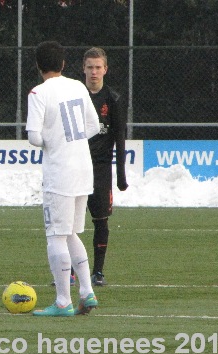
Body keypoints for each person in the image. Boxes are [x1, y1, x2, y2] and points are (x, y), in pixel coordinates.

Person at [26, 41, 100, 316]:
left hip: (60, 173)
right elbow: (93, 126)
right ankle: (87, 292)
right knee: (71, 233)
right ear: (64, 64)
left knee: (55, 235)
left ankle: (62, 302)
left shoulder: (38, 92)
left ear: (38, 65)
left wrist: (54, 140)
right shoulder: (78, 87)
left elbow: (34, 136)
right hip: (83, 169)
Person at [83, 47, 128, 286]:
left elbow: (120, 138)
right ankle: (70, 270)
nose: (94, 72)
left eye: (98, 67)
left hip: (100, 169)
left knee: (101, 220)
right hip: (76, 166)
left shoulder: (114, 99)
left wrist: (121, 175)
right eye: (90, 67)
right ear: (83, 69)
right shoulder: (76, 96)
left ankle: (98, 272)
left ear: (105, 69)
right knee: (71, 221)